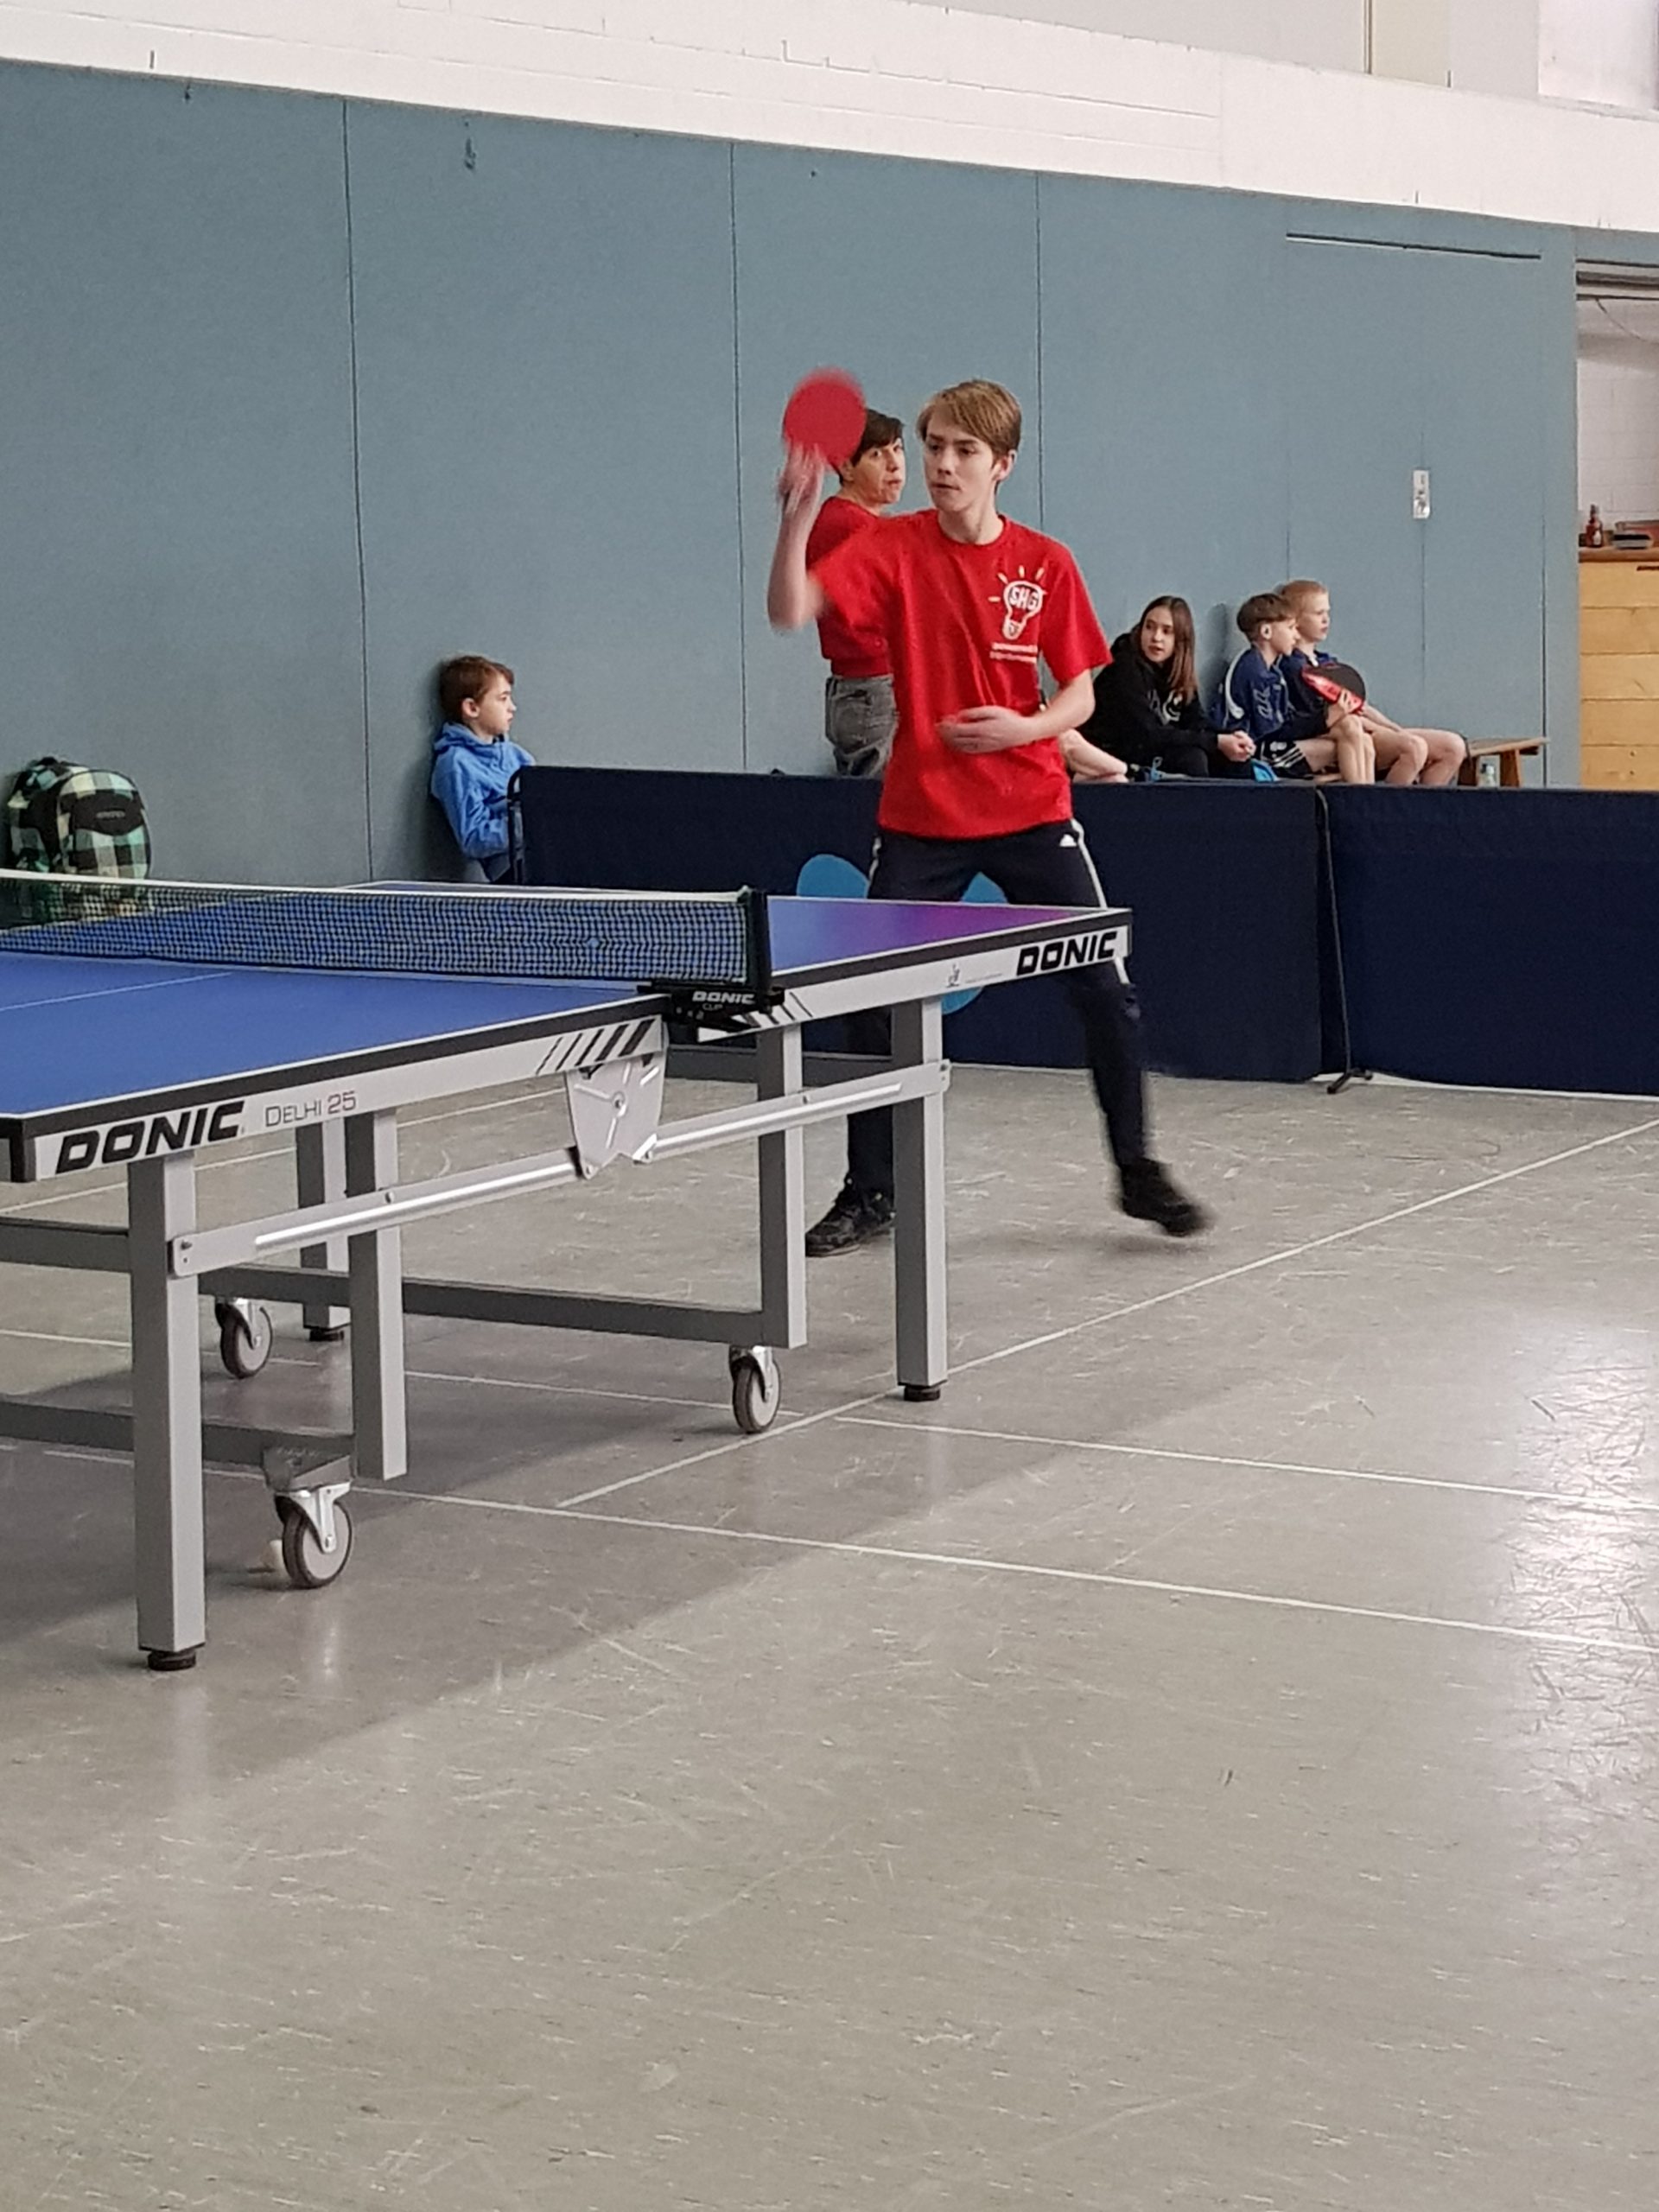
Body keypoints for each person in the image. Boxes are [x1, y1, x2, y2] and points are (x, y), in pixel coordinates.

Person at [767, 377, 1210, 1254]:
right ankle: (871, 1189)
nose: (941, 464)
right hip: (922, 817)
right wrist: (796, 516)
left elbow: (1080, 693)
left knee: (1106, 990)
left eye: (963, 450)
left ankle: (1137, 1168)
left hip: (1032, 810)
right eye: (933, 446)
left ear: (1002, 464)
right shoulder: (892, 547)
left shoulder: (1045, 563)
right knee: (872, 1000)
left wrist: (1026, 728)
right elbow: (790, 610)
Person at [1281, 579, 1465, 787]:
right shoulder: (1293, 666)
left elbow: (1361, 706)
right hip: (1340, 738)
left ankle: (1426, 804)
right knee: (1414, 747)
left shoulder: (1327, 661)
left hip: (1366, 729)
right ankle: (1389, 805)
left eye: (1327, 613)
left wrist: (1395, 729)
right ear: (1295, 620)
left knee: (1453, 747)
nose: (1326, 620)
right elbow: (1338, 718)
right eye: (1318, 614)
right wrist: (1389, 733)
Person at [805, 409, 907, 777]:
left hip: (868, 688)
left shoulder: (861, 523)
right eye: (877, 454)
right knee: (876, 800)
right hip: (873, 688)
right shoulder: (850, 525)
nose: (894, 464)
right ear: (846, 467)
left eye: (898, 449)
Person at [1077, 596, 1258, 779]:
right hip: (1117, 752)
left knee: (1235, 760)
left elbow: (1196, 721)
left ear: (1180, 639)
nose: (1156, 638)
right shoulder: (1124, 668)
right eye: (1149, 627)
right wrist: (1216, 741)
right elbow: (1147, 733)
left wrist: (1231, 738)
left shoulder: (1178, 671)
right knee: (1191, 759)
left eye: (1167, 631)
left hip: (1154, 747)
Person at [1217, 593, 1375, 783]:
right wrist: (1324, 719)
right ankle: (1355, 795)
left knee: (1359, 735)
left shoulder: (1273, 671)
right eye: (1291, 628)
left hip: (1276, 744)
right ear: (1266, 632)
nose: (1296, 635)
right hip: (1255, 753)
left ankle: (1365, 794)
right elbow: (1274, 731)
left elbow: (1288, 720)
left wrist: (1329, 718)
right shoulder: (1253, 670)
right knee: (1346, 742)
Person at [429, 657, 535, 881]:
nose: (512, 707)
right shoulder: (456, 765)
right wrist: (531, 825)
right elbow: (473, 838)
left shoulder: (519, 756)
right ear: (472, 708)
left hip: (545, 854)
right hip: (513, 870)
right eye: (503, 699)